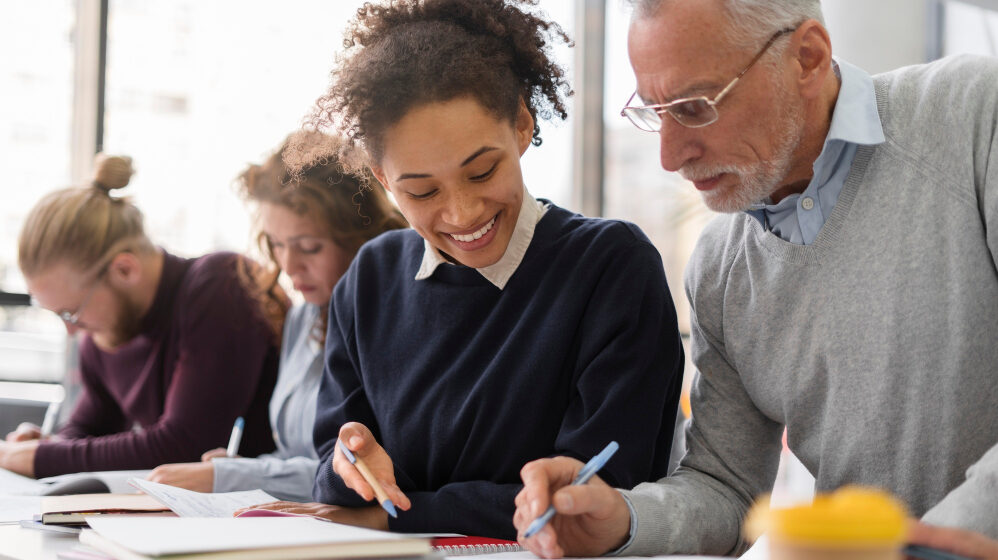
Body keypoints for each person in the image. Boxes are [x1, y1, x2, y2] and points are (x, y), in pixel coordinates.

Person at [514, 0, 998, 557]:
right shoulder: (721, 269)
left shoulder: (973, 118)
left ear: (807, 58)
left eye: (695, 107)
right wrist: (624, 520)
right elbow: (726, 486)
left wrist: (926, 549)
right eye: (656, 112)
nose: (671, 157)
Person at [247, 0, 685, 540]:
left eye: (482, 171)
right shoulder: (371, 279)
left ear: (523, 127)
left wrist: (396, 514)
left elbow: (592, 498)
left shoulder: (610, 267)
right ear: (384, 182)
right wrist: (351, 464)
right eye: (422, 190)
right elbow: (331, 469)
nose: (462, 213)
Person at [145, 133, 407, 501]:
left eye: (309, 247)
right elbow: (297, 458)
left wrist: (235, 475)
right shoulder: (302, 321)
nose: (288, 265)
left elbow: (363, 471)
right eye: (277, 245)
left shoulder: (394, 323)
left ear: (361, 238)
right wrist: (241, 469)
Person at [0, 154, 282, 478]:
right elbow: (87, 431)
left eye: (71, 312)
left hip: (275, 511)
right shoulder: (103, 332)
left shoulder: (222, 285)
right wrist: (48, 444)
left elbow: (183, 444)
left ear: (124, 269)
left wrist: (42, 457)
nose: (71, 330)